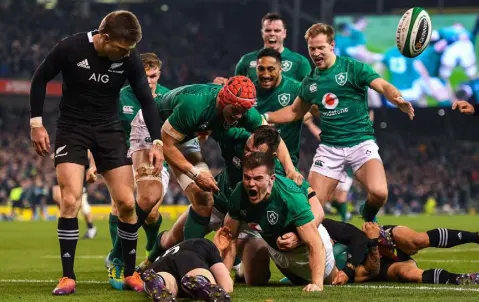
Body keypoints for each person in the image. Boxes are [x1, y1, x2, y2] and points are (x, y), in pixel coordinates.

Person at [29, 10, 164, 295]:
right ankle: (68, 277)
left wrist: (157, 141)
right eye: (121, 48)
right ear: (104, 38)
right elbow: (39, 79)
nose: (126, 53)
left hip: (108, 130)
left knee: (127, 203)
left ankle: (129, 273)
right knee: (70, 200)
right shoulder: (70, 48)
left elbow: (147, 101)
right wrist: (36, 123)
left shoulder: (129, 58)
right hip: (72, 129)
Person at [262, 23, 415, 223]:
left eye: (320, 48)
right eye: (312, 48)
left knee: (379, 193)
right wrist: (266, 117)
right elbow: (294, 111)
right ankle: (316, 248)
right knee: (311, 211)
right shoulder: (310, 82)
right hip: (330, 149)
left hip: (361, 143)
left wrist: (396, 98)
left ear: (332, 45)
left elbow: (382, 85)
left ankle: (367, 213)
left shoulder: (352, 68)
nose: (315, 53)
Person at [145, 126, 323, 287]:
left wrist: (299, 236)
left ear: (272, 157)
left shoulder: (283, 176)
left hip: (251, 219)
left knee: (257, 280)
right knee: (173, 239)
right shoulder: (237, 139)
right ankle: (150, 264)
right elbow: (212, 122)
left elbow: (317, 210)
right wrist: (201, 130)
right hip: (220, 202)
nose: (248, 155)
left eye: (256, 152)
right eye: (248, 149)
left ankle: (238, 265)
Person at [133, 75, 300, 243]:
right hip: (152, 128)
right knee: (149, 197)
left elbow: (273, 138)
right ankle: (119, 254)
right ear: (223, 100)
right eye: (235, 110)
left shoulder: (243, 112)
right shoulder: (195, 105)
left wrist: (290, 169)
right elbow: (167, 145)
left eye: (243, 112)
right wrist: (196, 174)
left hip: (185, 134)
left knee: (204, 198)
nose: (238, 116)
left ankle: (189, 255)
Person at [216, 152, 336, 292]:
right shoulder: (238, 194)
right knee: (270, 281)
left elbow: (314, 243)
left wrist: (317, 284)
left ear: (271, 179)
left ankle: (346, 257)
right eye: (247, 177)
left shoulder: (290, 197)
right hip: (277, 250)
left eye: (258, 178)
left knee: (332, 279)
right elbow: (229, 239)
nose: (251, 184)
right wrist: (224, 279)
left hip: (307, 248)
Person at [104, 52, 170, 288]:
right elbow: (106, 129)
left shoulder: (167, 97)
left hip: (155, 160)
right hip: (124, 158)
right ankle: (118, 261)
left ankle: (152, 251)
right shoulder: (121, 97)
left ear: (159, 74)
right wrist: (94, 161)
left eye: (153, 76)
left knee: (151, 212)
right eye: (145, 76)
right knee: (120, 206)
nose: (149, 81)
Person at [351, 223, 479, 285]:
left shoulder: (333, 236)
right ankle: (465, 279)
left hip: (379, 239)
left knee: (417, 240)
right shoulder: (339, 271)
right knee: (409, 275)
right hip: (377, 265)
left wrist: (373, 234)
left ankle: (475, 237)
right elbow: (363, 275)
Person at [142, 238, 232, 302]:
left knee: (168, 284)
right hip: (188, 258)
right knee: (196, 275)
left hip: (158, 265)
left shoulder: (168, 251)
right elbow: (227, 285)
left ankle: (159, 281)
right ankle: (201, 281)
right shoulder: (206, 244)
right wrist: (222, 252)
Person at [234, 12, 311, 82]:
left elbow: (308, 93)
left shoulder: (300, 62)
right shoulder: (246, 61)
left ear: (284, 33)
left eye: (277, 31)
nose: (272, 34)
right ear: (262, 33)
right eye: (268, 30)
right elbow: (235, 90)